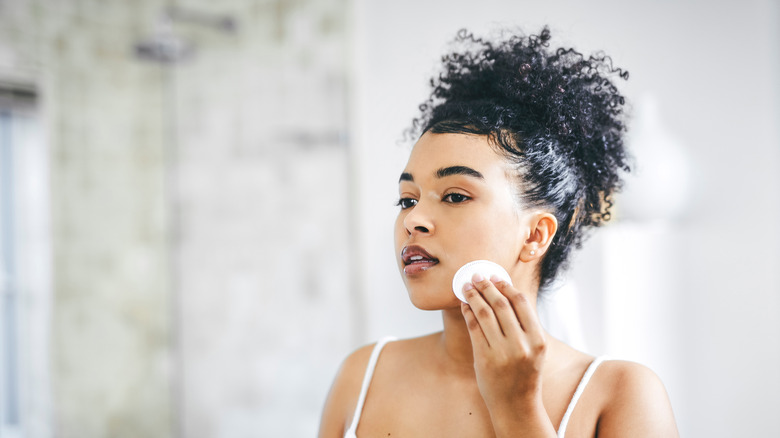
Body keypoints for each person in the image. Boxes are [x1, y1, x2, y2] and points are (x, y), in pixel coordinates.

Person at [319, 27, 679, 437]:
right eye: (407, 199)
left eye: (454, 196)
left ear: (535, 235)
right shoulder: (361, 376)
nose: (413, 219)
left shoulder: (621, 395)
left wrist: (517, 407)